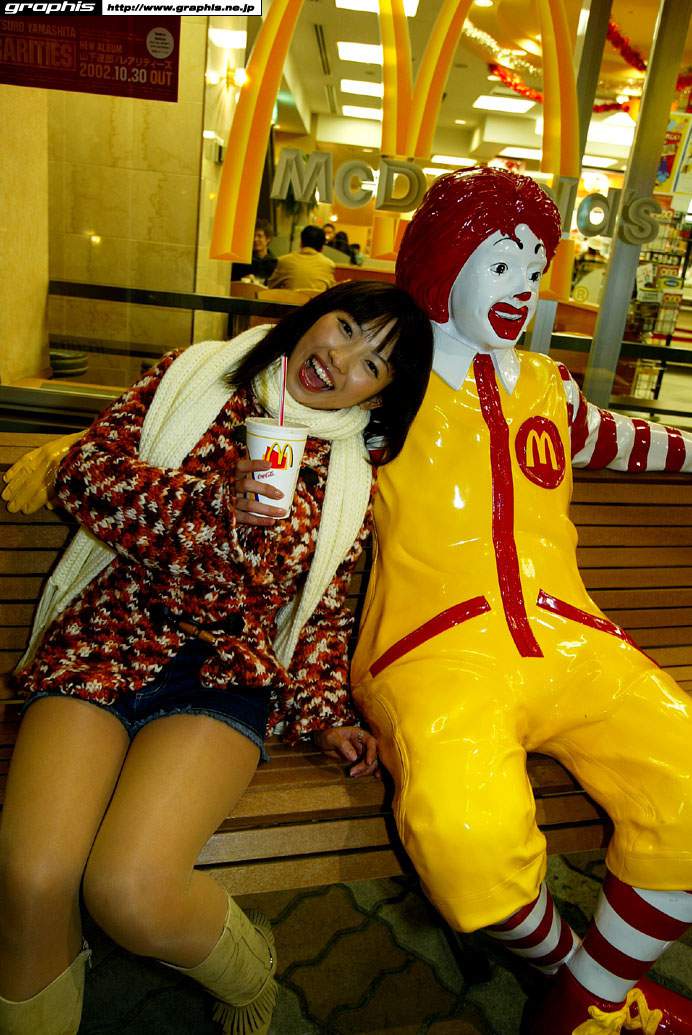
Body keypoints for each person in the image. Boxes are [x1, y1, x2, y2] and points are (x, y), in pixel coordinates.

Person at [0, 281, 433, 1035]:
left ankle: (249, 973)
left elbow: (319, 605)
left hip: (223, 674)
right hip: (107, 637)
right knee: (33, 877)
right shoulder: (195, 375)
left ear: (381, 394)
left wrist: (324, 713)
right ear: (314, 316)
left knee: (129, 889)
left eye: (372, 363)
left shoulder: (348, 476)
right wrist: (211, 503)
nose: (341, 359)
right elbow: (84, 474)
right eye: (345, 327)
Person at [351, 167, 692, 1035]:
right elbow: (268, 415)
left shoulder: (549, 385)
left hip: (576, 642)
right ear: (444, 264)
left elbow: (625, 439)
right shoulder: (383, 386)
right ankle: (587, 985)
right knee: (463, 833)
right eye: (502, 265)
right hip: (435, 653)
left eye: (534, 269)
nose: (522, 288)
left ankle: (579, 1008)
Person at [267, 225, 335, 292]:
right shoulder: (328, 265)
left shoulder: (284, 261)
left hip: (291, 299)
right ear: (322, 247)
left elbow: (270, 286)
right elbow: (331, 291)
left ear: (301, 243)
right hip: (317, 299)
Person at [231, 218, 278, 284]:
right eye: (252, 235)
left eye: (259, 236)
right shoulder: (241, 262)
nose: (255, 239)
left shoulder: (275, 263)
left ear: (268, 239)